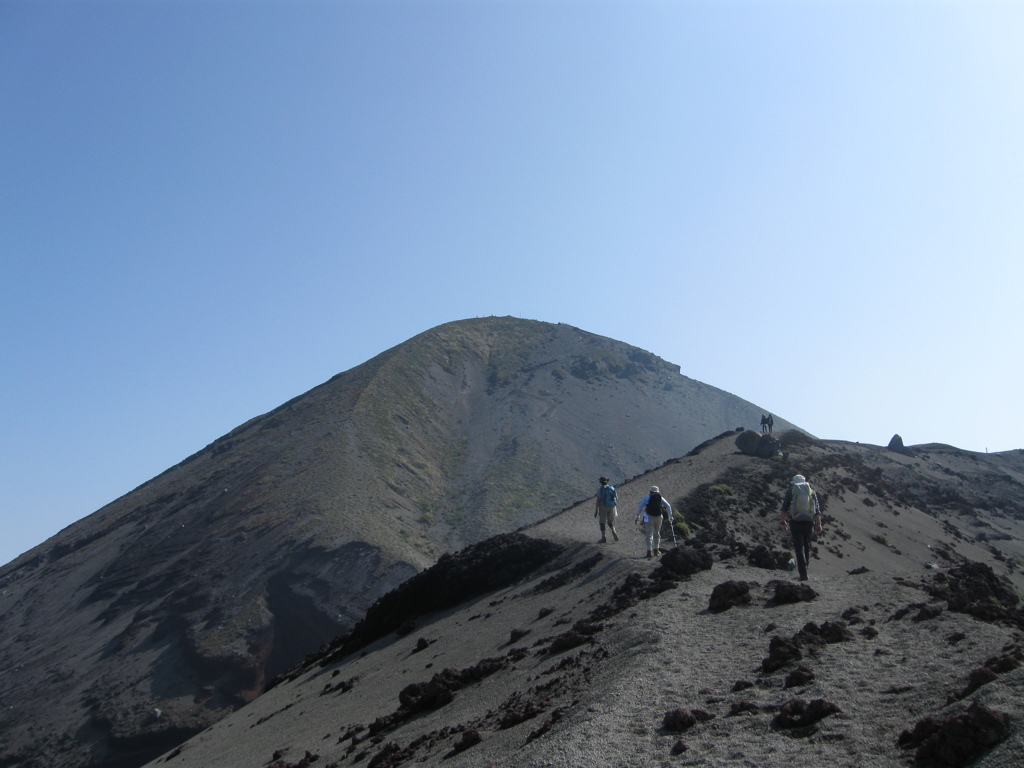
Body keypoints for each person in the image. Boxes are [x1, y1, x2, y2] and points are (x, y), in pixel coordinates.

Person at [779, 474, 823, 581]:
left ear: (794, 483)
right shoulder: (811, 491)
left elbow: (784, 508)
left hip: (795, 522)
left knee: (799, 548)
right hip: (809, 522)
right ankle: (805, 569)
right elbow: (817, 510)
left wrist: (782, 522)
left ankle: (803, 574)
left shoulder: (791, 491)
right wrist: (818, 524)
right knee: (807, 546)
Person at [636, 485, 673, 559]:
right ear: (657, 492)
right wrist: (670, 517)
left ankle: (649, 552)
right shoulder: (660, 498)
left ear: (650, 491)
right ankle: (656, 550)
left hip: (649, 517)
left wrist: (637, 516)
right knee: (657, 533)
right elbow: (668, 506)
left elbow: (640, 506)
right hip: (659, 517)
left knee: (649, 535)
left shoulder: (646, 498)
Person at [595, 477, 619, 543]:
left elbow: (598, 500)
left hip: (603, 506)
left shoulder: (600, 489)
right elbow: (617, 497)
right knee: (610, 522)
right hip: (612, 506)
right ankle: (614, 532)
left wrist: (596, 510)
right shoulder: (612, 488)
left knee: (602, 522)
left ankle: (604, 537)